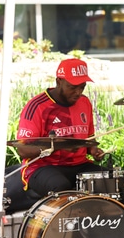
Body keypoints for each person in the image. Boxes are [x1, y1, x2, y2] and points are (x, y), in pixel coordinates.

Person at [16, 58, 106, 197]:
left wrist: (93, 150)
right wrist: (59, 146)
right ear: (59, 81)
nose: (78, 92)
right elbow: (23, 150)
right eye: (72, 87)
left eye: (82, 87)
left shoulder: (84, 102)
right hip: (42, 167)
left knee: (111, 181)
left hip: (79, 164)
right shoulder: (37, 106)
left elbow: (87, 140)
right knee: (60, 187)